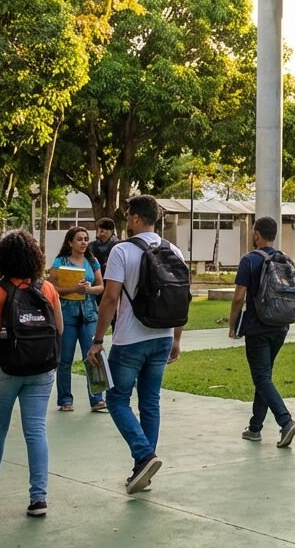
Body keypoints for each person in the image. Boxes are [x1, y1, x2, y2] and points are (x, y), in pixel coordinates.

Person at [87, 194, 185, 494]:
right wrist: (176, 338)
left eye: (129, 215)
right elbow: (181, 298)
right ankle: (143, 472)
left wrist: (97, 340)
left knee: (117, 399)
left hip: (130, 338)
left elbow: (110, 298)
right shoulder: (174, 250)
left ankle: (144, 456)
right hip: (162, 336)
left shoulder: (122, 250)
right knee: (150, 402)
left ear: (136, 219)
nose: (127, 219)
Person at [0, 230, 62, 518]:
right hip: (41, 368)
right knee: (36, 431)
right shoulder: (47, 289)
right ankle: (38, 498)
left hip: (4, 367)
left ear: (2, 259)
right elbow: (59, 329)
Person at [227, 216, 295, 447]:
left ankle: (285, 421)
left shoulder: (249, 260)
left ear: (256, 234)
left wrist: (233, 324)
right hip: (281, 325)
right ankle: (255, 428)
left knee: (261, 378)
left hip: (257, 327)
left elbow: (239, 297)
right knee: (264, 377)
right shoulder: (285, 259)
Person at [48, 227, 105, 412]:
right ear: (70, 242)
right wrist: (74, 289)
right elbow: (52, 288)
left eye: (86, 239)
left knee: (93, 356)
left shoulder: (92, 261)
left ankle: (97, 399)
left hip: (89, 314)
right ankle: (65, 399)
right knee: (65, 359)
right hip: (67, 315)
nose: (83, 242)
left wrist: (89, 289)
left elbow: (101, 287)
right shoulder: (60, 262)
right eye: (79, 239)